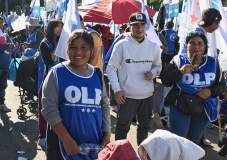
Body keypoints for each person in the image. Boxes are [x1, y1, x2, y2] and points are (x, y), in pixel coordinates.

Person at [42, 29, 111, 160]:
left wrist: (107, 133)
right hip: (63, 146)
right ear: (67, 49)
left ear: (91, 50)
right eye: (73, 47)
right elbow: (49, 110)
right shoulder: (56, 73)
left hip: (93, 146)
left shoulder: (97, 74)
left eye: (84, 47)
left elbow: (105, 106)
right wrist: (67, 140)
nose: (78, 52)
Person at [160, 31, 226, 144]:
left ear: (205, 46)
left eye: (200, 43)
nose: (196, 47)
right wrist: (180, 72)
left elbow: (222, 86)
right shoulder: (178, 60)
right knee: (178, 141)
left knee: (193, 142)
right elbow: (165, 80)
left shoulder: (214, 63)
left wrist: (210, 91)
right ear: (187, 45)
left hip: (204, 108)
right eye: (192, 43)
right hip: (180, 105)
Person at [106, 12, 161, 145]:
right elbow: (111, 68)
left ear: (146, 26)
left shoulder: (154, 46)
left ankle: (142, 154)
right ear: (130, 27)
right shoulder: (121, 45)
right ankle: (120, 155)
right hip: (127, 96)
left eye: (142, 25)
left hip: (147, 96)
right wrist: (117, 90)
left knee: (144, 127)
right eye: (135, 25)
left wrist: (153, 73)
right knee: (122, 128)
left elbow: (158, 66)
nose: (139, 28)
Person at [37, 19, 63, 147]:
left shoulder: (63, 43)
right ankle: (42, 136)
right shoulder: (45, 43)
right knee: (44, 109)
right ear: (51, 28)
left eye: (61, 27)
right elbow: (49, 60)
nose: (60, 29)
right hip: (46, 80)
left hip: (60, 81)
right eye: (57, 26)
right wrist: (58, 45)